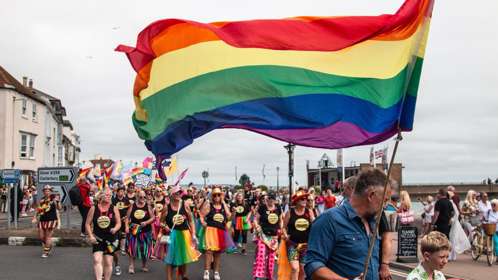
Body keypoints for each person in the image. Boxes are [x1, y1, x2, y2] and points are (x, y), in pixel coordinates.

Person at [304, 168, 389, 280]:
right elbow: (313, 265)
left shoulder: (373, 221)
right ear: (371, 196)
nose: (385, 205)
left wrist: (384, 265)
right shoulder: (329, 219)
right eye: (385, 200)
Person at [163, 185, 200, 280]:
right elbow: (160, 221)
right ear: (171, 194)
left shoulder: (185, 205)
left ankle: (183, 275)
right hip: (172, 234)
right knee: (170, 259)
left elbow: (191, 220)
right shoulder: (166, 207)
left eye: (179, 192)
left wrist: (194, 234)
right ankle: (169, 278)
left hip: (184, 234)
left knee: (184, 256)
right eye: (176, 192)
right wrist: (165, 226)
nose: (178, 194)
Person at [199, 186, 234, 280]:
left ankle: (216, 272)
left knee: (218, 253)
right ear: (212, 196)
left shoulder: (224, 205)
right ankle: (206, 272)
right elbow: (201, 215)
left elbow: (229, 217)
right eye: (215, 195)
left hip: (221, 231)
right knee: (209, 251)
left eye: (219, 195)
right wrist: (203, 222)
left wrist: (224, 202)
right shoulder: (209, 205)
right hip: (210, 230)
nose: (217, 197)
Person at [86, 188, 121, 280]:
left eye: (110, 195)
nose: (109, 197)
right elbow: (87, 224)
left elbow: (119, 223)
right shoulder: (94, 208)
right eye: (107, 195)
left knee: (108, 263)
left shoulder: (114, 208)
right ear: (101, 196)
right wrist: (90, 236)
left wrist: (115, 228)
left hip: (111, 239)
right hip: (98, 239)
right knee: (97, 260)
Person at [282, 190, 315, 280]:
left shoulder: (309, 212)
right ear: (296, 201)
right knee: (295, 268)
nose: (305, 200)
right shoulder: (290, 212)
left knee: (303, 269)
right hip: (292, 244)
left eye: (305, 199)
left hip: (305, 245)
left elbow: (316, 226)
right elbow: (283, 227)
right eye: (302, 199)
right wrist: (285, 235)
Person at [252, 191, 283, 280]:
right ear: (267, 199)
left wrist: (281, 229)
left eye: (273, 199)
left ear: (275, 200)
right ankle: (257, 276)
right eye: (270, 198)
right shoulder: (262, 208)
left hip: (274, 236)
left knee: (271, 258)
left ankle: (269, 277)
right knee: (260, 255)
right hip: (263, 235)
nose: (271, 200)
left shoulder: (278, 208)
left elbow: (280, 220)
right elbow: (255, 219)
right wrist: (257, 226)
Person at [125, 189, 155, 274]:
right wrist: (126, 226)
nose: (142, 198)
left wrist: (146, 222)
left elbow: (153, 218)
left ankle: (144, 265)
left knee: (145, 248)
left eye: (144, 197)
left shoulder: (148, 206)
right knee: (132, 247)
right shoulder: (133, 205)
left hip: (146, 231)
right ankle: (131, 265)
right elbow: (127, 217)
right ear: (137, 197)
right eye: (140, 197)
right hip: (134, 230)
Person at [33, 185, 62, 258]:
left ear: (50, 191)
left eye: (48, 190)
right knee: (42, 237)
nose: (47, 192)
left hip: (51, 220)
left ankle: (46, 252)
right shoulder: (42, 199)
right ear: (43, 192)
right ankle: (49, 246)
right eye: (45, 190)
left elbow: (59, 208)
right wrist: (34, 217)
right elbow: (38, 209)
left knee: (48, 236)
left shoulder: (54, 199)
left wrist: (58, 202)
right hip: (42, 220)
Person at [111, 185, 129, 275]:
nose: (121, 193)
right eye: (120, 191)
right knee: (103, 252)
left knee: (114, 251)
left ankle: (117, 265)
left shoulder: (126, 200)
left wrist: (125, 223)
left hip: (119, 223)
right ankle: (104, 269)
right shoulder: (113, 201)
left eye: (122, 191)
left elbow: (128, 211)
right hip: (110, 226)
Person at [448, 193, 470, 261]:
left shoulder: (452, 203)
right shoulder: (454, 204)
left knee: (452, 238)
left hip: (454, 223)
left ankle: (451, 255)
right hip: (456, 223)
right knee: (454, 239)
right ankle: (453, 256)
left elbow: (455, 213)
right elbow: (457, 213)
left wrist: (452, 220)